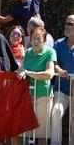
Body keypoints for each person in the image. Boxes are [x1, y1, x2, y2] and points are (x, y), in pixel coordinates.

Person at [17, 27, 56, 145]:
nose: (35, 41)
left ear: (44, 40)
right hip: (27, 96)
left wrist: (29, 73)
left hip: (43, 95)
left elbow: (49, 74)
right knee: (25, 131)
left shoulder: (50, 52)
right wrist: (20, 72)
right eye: (33, 38)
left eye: (39, 38)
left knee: (41, 133)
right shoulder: (28, 52)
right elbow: (22, 69)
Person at [51, 15, 74, 145]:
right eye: (66, 23)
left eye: (70, 24)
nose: (66, 26)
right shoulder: (58, 44)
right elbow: (53, 63)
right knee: (56, 111)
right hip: (62, 90)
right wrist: (59, 70)